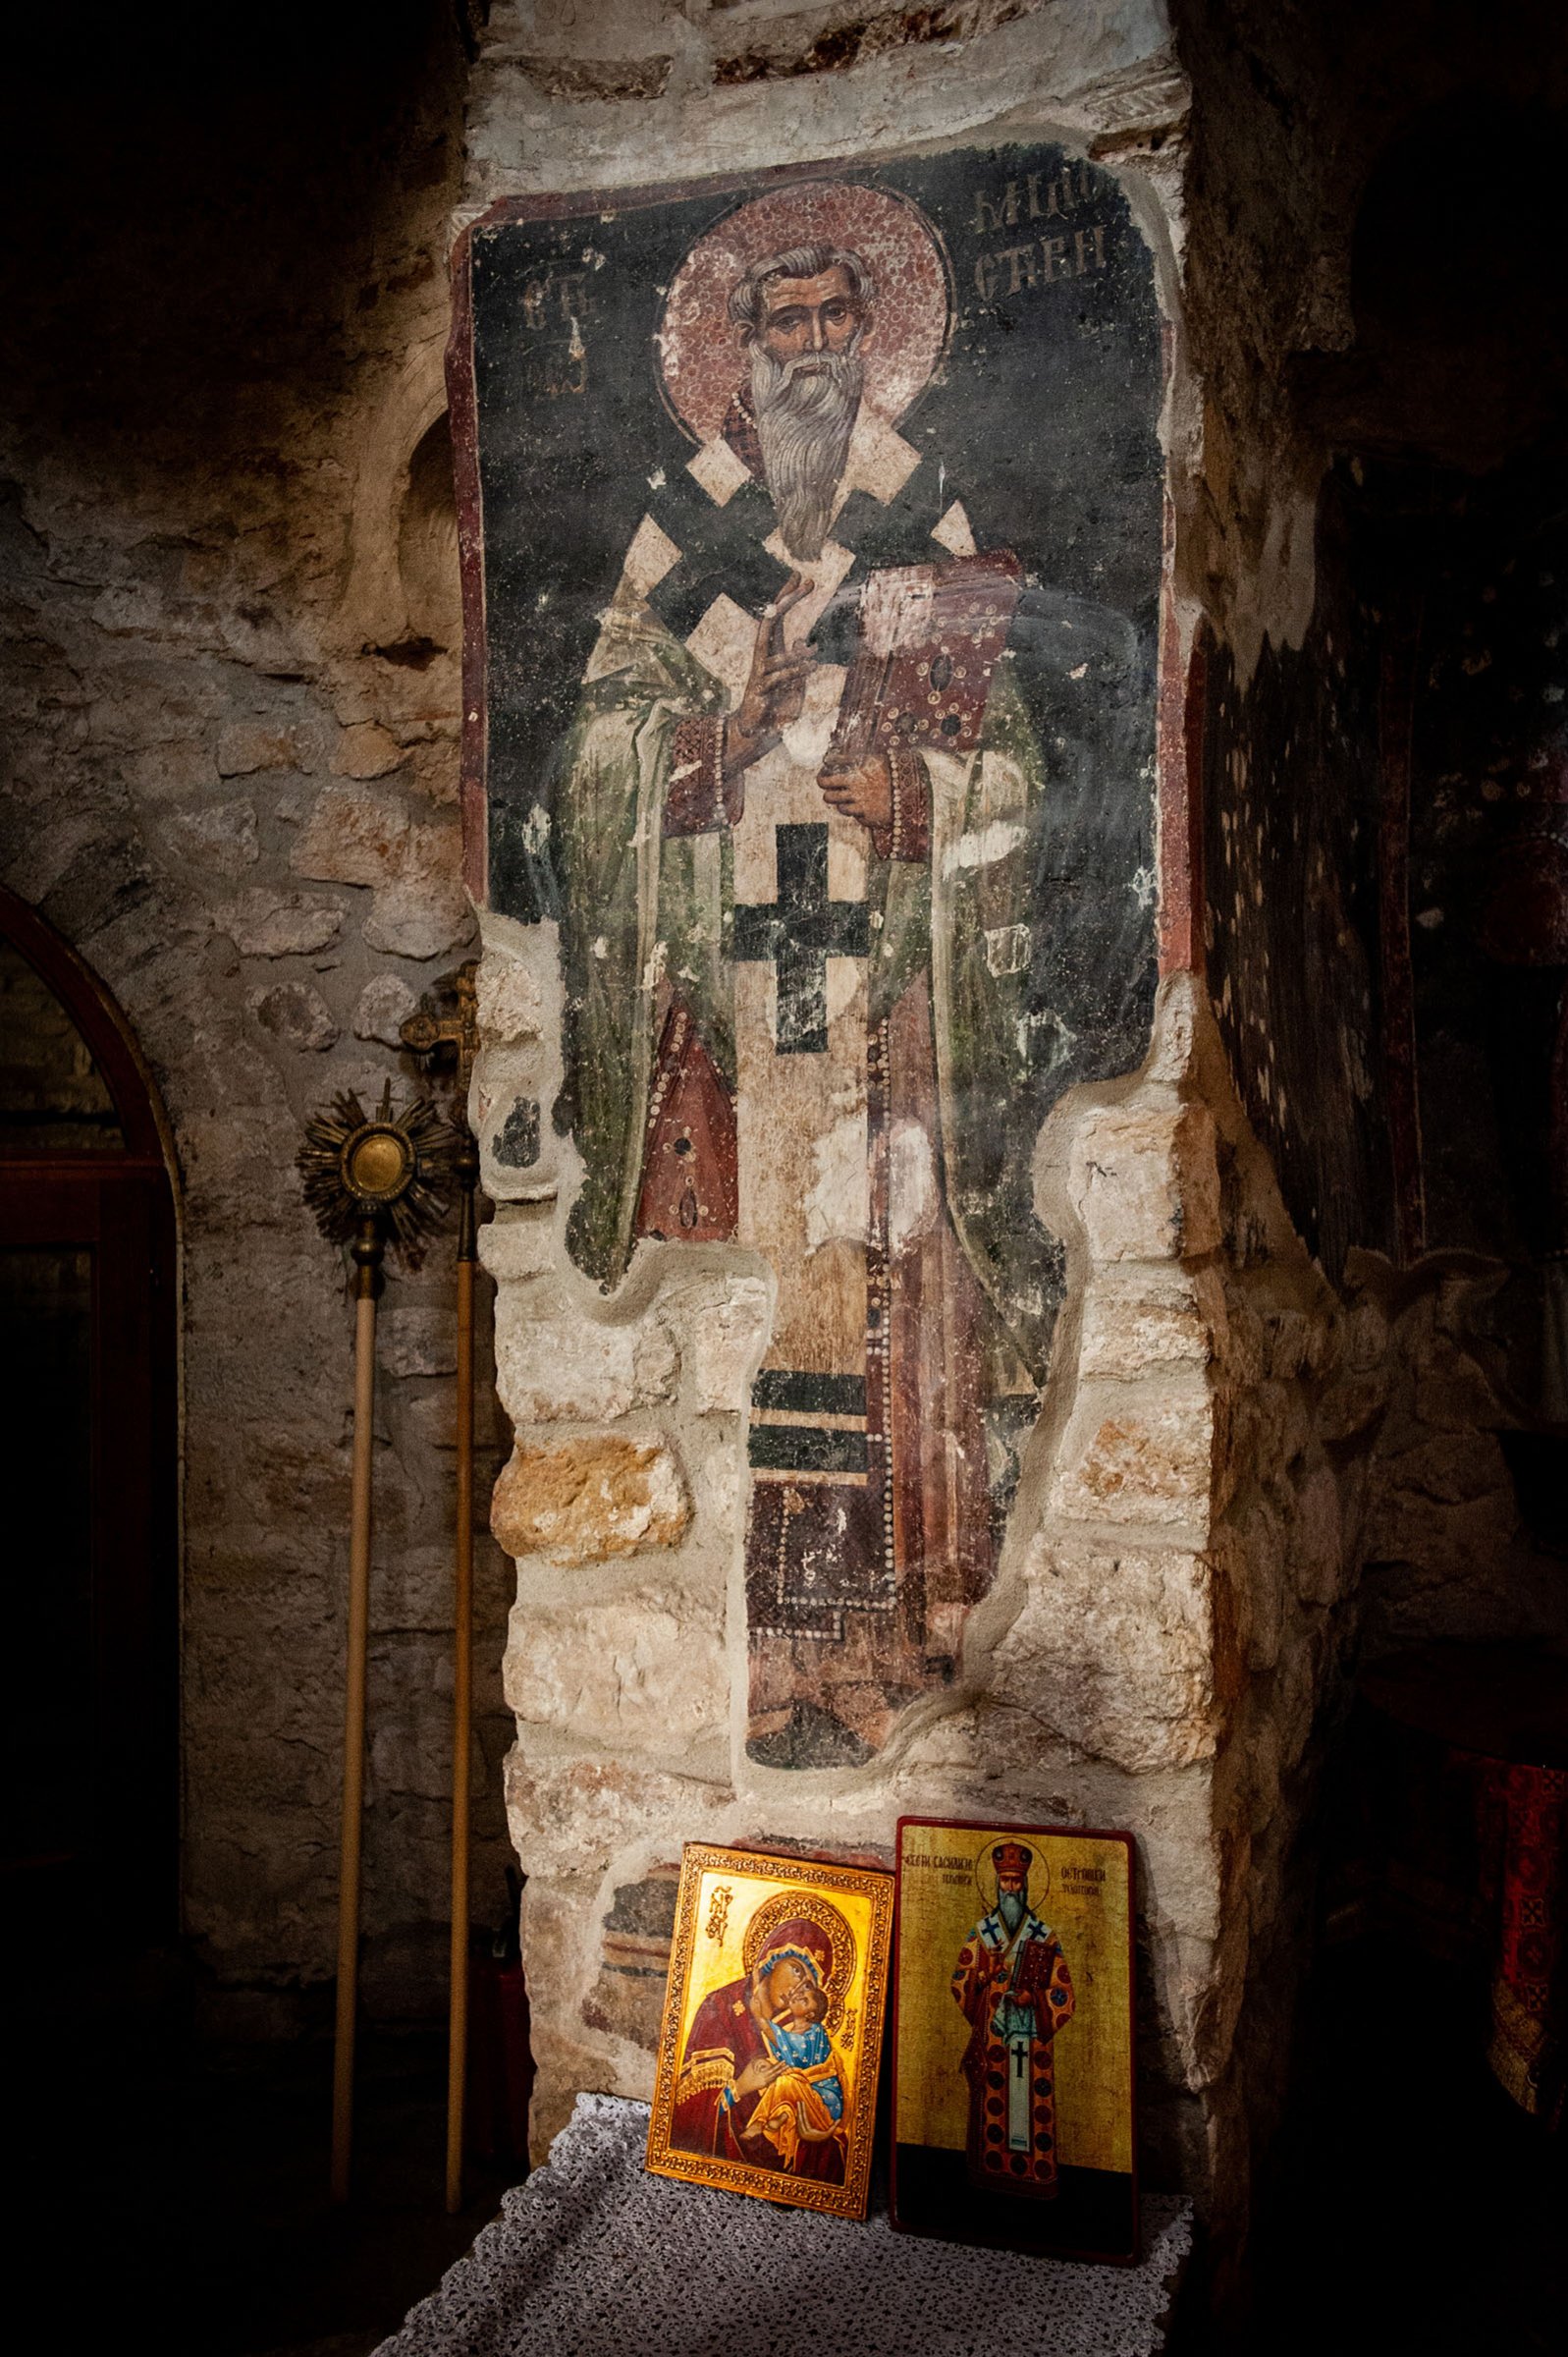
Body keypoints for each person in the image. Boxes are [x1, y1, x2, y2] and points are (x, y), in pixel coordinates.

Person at [554, 217, 1069, 1759]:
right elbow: (596, 757)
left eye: (835, 317)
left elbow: (1016, 761)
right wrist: (716, 739)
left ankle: (897, 1643)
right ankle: (783, 1663)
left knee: (890, 1308)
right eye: (782, 324)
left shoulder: (922, 512)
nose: (811, 348)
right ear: (742, 349)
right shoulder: (684, 523)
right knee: (786, 1321)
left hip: (886, 1000)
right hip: (737, 993)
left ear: (870, 334)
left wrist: (914, 798)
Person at [670, 1916, 848, 2182]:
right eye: (798, 1970)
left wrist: (812, 2132)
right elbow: (686, 2118)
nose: (798, 1988)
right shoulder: (720, 2009)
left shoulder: (801, 2031)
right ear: (772, 1955)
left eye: (810, 1985)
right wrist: (739, 2088)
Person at [951, 1841, 1074, 2198]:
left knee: (1030, 2110)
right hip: (993, 2039)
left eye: (1015, 1882)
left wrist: (1033, 1999)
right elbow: (960, 1984)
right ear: (995, 1883)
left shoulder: (1044, 1936)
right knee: (993, 2109)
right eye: (1004, 1881)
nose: (1009, 1888)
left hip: (1032, 2041)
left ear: (1026, 1885)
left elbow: (1064, 1993)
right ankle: (989, 2175)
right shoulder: (981, 1933)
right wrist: (984, 1980)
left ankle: (1035, 2180)